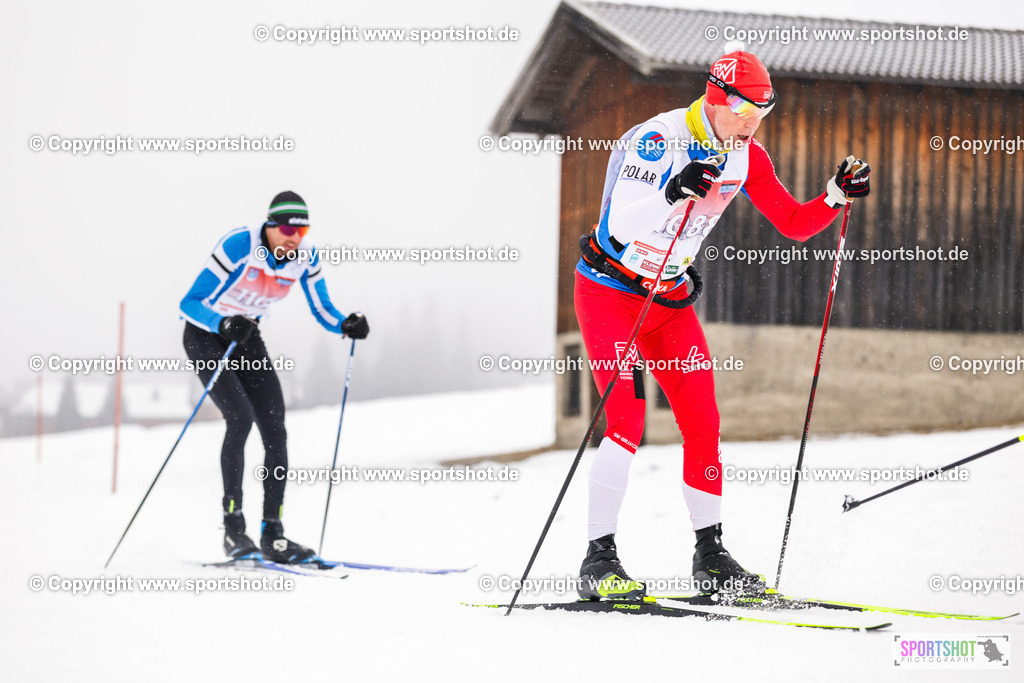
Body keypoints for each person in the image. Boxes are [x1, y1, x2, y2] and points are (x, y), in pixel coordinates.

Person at [574, 51, 870, 599]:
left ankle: (710, 555)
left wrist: (834, 195)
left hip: (668, 302)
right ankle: (599, 560)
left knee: (703, 421)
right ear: (717, 100)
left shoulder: (747, 155)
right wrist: (672, 189)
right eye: (745, 113)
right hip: (611, 294)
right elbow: (619, 222)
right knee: (626, 421)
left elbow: (793, 223)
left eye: (764, 114)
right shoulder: (659, 139)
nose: (753, 125)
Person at [179, 191, 369, 563]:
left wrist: (345, 325)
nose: (295, 238)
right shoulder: (239, 245)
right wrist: (222, 323)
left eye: (302, 231)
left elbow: (322, 308)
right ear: (270, 226)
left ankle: (273, 534)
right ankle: (234, 531)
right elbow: (189, 303)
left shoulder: (305, 256)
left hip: (246, 335)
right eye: (287, 230)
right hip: (206, 334)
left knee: (276, 428)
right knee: (240, 419)